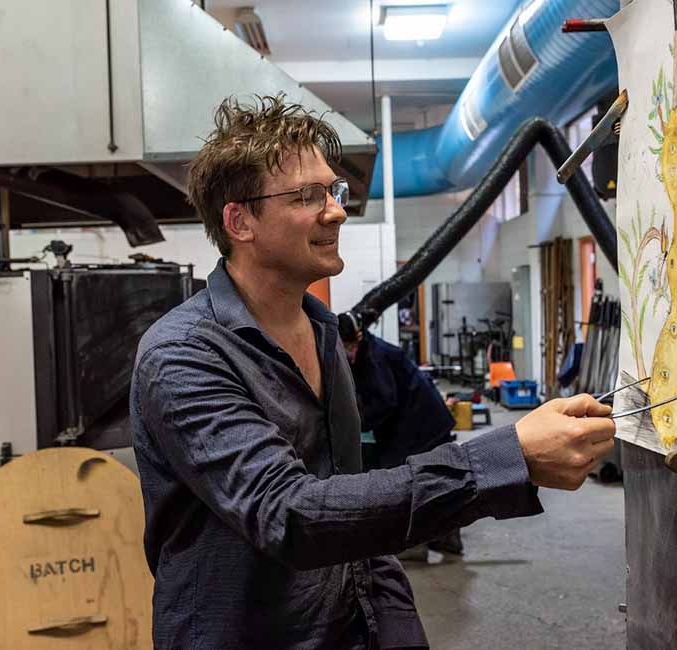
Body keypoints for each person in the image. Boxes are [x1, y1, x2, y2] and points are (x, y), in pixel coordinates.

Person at [130, 94, 615, 650]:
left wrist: (395, 626)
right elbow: (289, 514)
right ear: (240, 221)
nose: (336, 210)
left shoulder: (321, 331)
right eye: (307, 196)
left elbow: (349, 504)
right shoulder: (183, 355)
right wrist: (508, 456)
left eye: (333, 192)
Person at [343, 328, 463, 557]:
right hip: (419, 422)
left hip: (424, 425)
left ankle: (417, 545)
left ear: (349, 340)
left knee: (412, 481)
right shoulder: (366, 351)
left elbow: (386, 400)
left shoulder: (374, 356)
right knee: (432, 482)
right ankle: (441, 540)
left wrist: (361, 423)